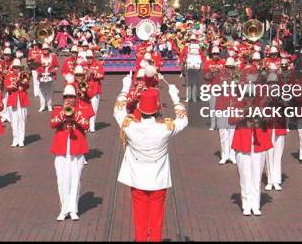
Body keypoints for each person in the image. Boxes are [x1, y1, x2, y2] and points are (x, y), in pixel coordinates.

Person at [114, 68, 188, 242]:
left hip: (137, 179)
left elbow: (118, 110)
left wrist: (125, 87)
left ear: (140, 107)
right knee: (157, 219)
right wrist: (175, 96)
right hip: (158, 180)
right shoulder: (165, 128)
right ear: (157, 109)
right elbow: (183, 119)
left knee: (139, 218)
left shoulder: (130, 126)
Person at [50, 84, 92, 221]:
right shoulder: (58, 109)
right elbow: (53, 124)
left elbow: (86, 125)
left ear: (76, 98)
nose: (69, 99)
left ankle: (73, 209)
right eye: (66, 97)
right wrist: (64, 113)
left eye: (71, 97)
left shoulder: (82, 109)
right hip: (61, 148)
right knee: (62, 180)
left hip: (77, 147)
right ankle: (64, 209)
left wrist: (76, 115)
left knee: (76, 179)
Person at [231, 93, 273, 216]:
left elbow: (270, 121)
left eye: (252, 96)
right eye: (247, 96)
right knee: (245, 176)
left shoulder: (262, 106)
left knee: (257, 176)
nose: (250, 98)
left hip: (259, 143)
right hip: (242, 143)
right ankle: (246, 204)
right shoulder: (237, 105)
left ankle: (255, 204)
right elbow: (231, 120)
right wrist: (245, 112)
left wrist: (262, 113)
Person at [4, 59, 30, 147]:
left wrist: (23, 84)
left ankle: (21, 139)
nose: (17, 69)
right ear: (13, 68)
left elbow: (27, 85)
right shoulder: (8, 76)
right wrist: (14, 85)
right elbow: (6, 87)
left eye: (18, 68)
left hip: (22, 99)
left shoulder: (23, 75)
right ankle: (15, 139)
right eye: (15, 68)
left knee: (22, 120)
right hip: (13, 100)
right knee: (14, 121)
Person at [203, 46, 225, 130]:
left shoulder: (223, 62)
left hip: (222, 88)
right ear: (212, 54)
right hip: (212, 88)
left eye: (217, 54)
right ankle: (213, 124)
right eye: (214, 54)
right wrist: (211, 73)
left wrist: (220, 71)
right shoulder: (208, 63)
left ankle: (219, 124)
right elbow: (205, 76)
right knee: (212, 107)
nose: (216, 55)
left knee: (221, 107)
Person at [85, 49, 105, 133]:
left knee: (94, 109)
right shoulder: (82, 64)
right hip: (85, 90)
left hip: (95, 90)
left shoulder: (98, 65)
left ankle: (92, 126)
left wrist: (93, 74)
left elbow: (102, 75)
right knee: (85, 108)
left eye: (90, 57)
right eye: (87, 57)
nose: (89, 59)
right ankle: (86, 126)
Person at [37, 44, 59, 112]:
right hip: (42, 76)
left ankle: (49, 105)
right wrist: (40, 71)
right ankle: (42, 106)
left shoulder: (53, 56)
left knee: (50, 92)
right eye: (44, 49)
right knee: (42, 92)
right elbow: (36, 66)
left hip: (50, 76)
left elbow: (57, 66)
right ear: (42, 50)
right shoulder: (39, 57)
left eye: (46, 49)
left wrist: (54, 70)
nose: (45, 50)